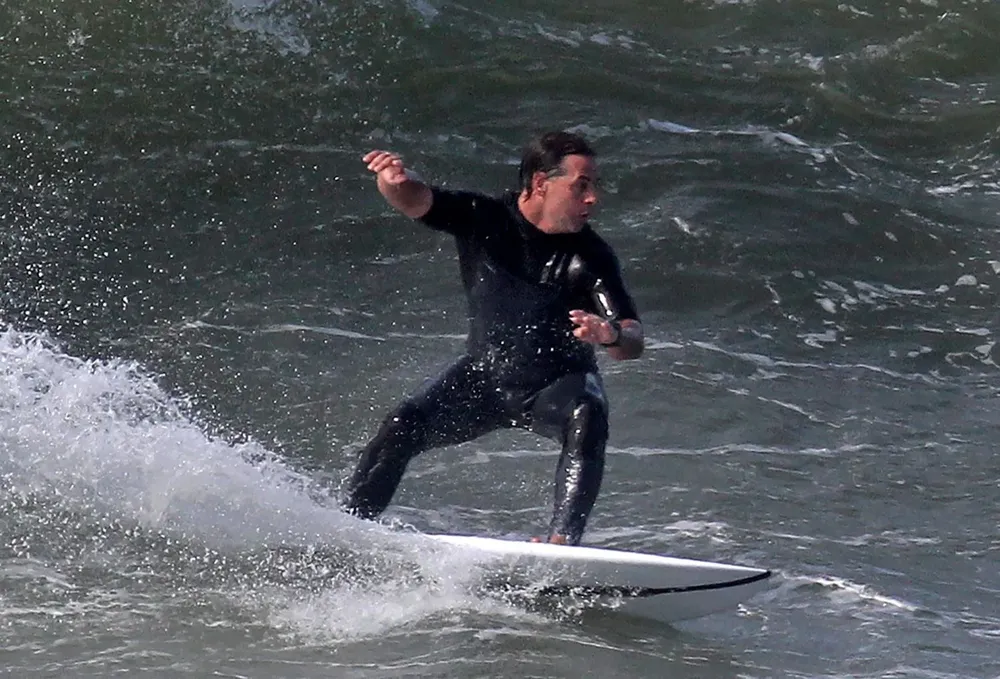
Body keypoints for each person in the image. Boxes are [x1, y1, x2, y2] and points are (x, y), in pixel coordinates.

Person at [342, 130, 644, 545]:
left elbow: (632, 338)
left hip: (555, 387)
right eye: (581, 186)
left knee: (587, 415)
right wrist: (392, 181)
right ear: (541, 183)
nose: (593, 199)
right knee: (401, 425)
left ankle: (561, 545)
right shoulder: (485, 218)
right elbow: (419, 200)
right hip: (484, 379)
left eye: (594, 187)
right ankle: (347, 530)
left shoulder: (590, 257)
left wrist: (609, 335)